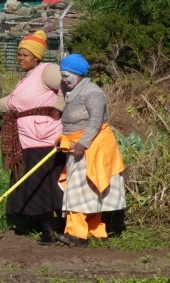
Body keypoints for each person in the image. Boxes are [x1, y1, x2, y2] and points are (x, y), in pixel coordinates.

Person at [0, 30, 66, 244]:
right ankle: (41, 224)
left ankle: (51, 229)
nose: (20, 58)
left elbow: (67, 84)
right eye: (19, 54)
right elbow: (12, 102)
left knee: (45, 183)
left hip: (45, 137)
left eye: (25, 55)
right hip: (28, 139)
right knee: (34, 181)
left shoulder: (47, 70)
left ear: (37, 57)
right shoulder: (25, 80)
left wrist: (59, 108)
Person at [55, 54, 126, 248]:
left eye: (67, 75)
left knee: (80, 191)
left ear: (77, 74)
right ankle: (94, 230)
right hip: (75, 145)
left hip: (91, 147)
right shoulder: (71, 91)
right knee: (87, 191)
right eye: (62, 75)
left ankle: (77, 234)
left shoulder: (93, 92)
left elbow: (95, 121)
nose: (64, 79)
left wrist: (82, 144)